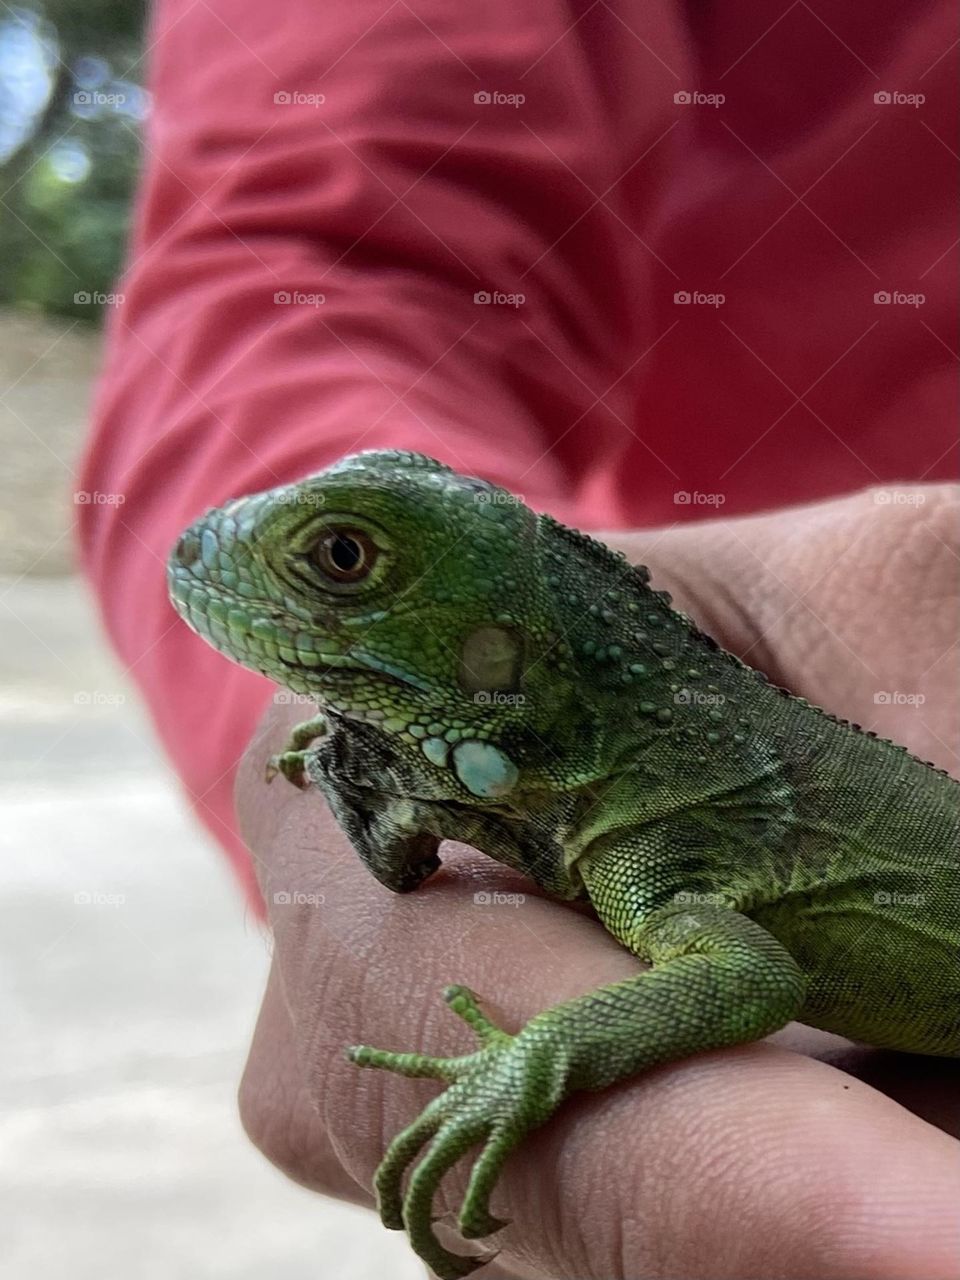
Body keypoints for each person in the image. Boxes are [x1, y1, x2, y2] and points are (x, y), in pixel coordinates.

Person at [78, 1, 959, 1275]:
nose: (233, 570)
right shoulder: (631, 798)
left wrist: (536, 1056)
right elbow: (319, 240)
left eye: (340, 566)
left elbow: (740, 974)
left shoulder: (658, 835)